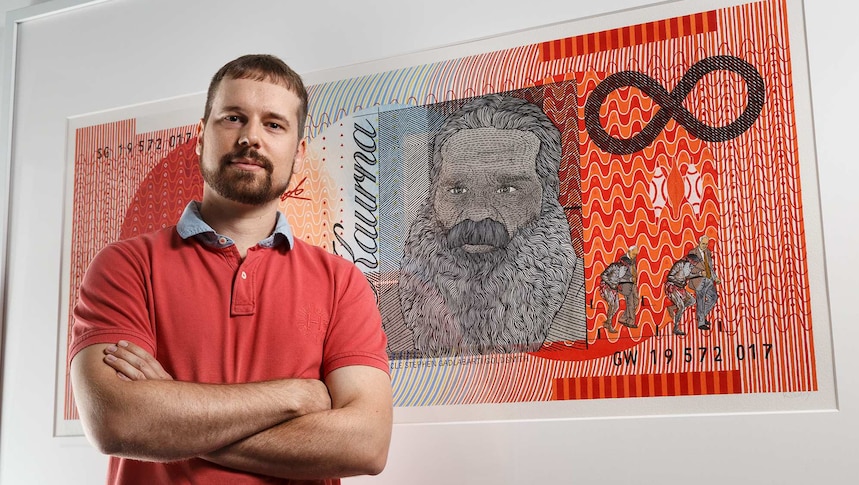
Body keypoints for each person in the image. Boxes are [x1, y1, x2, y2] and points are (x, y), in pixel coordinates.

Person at [69, 54, 392, 485]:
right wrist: (297, 396)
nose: (250, 138)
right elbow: (117, 423)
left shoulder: (342, 283)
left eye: (274, 124)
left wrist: (171, 415)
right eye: (234, 118)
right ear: (201, 137)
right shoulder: (125, 266)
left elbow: (366, 445)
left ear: (297, 155)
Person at [398, 94, 585, 356]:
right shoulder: (383, 317)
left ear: (547, 195)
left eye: (507, 189)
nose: (477, 213)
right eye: (457, 189)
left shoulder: (590, 301)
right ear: (434, 196)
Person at [598, 246, 639, 333]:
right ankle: (609, 326)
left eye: (627, 265)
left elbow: (620, 279)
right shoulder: (613, 266)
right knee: (612, 305)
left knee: (616, 306)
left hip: (614, 289)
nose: (626, 266)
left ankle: (608, 322)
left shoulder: (623, 270)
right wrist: (611, 283)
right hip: (606, 287)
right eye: (625, 264)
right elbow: (603, 275)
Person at [687, 235, 721, 330]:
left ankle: (701, 316)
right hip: (699, 281)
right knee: (700, 301)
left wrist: (715, 278)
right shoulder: (693, 253)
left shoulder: (708, 252)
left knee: (713, 297)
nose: (705, 246)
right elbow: (689, 269)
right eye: (703, 244)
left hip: (709, 280)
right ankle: (701, 322)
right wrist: (700, 273)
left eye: (706, 244)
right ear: (699, 243)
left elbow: (710, 267)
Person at [665, 252, 700, 335]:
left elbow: (687, 275)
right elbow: (670, 276)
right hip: (672, 286)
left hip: (680, 288)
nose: (694, 265)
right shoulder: (679, 264)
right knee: (681, 307)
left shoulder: (688, 266)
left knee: (692, 301)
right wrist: (678, 281)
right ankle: (676, 328)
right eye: (694, 262)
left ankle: (673, 307)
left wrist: (699, 274)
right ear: (690, 260)